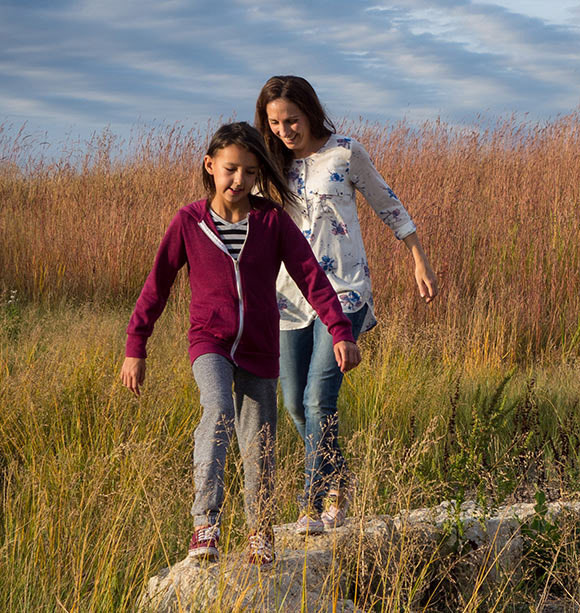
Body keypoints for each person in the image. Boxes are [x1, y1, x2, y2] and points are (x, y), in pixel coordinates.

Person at [119, 122, 361, 566]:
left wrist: (340, 329)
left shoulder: (271, 221)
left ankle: (260, 530)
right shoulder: (189, 222)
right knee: (218, 410)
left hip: (260, 346)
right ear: (210, 166)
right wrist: (137, 345)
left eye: (250, 172)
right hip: (209, 340)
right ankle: (205, 524)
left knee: (259, 440)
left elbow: (311, 276)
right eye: (231, 170)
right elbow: (157, 287)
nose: (239, 180)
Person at [254, 76, 437, 532]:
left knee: (319, 396)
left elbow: (387, 203)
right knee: (294, 404)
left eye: (292, 120)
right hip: (288, 296)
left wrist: (418, 258)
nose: (284, 131)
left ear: (310, 112)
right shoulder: (268, 166)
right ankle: (339, 483)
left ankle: (310, 506)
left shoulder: (346, 152)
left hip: (344, 288)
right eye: (275, 123)